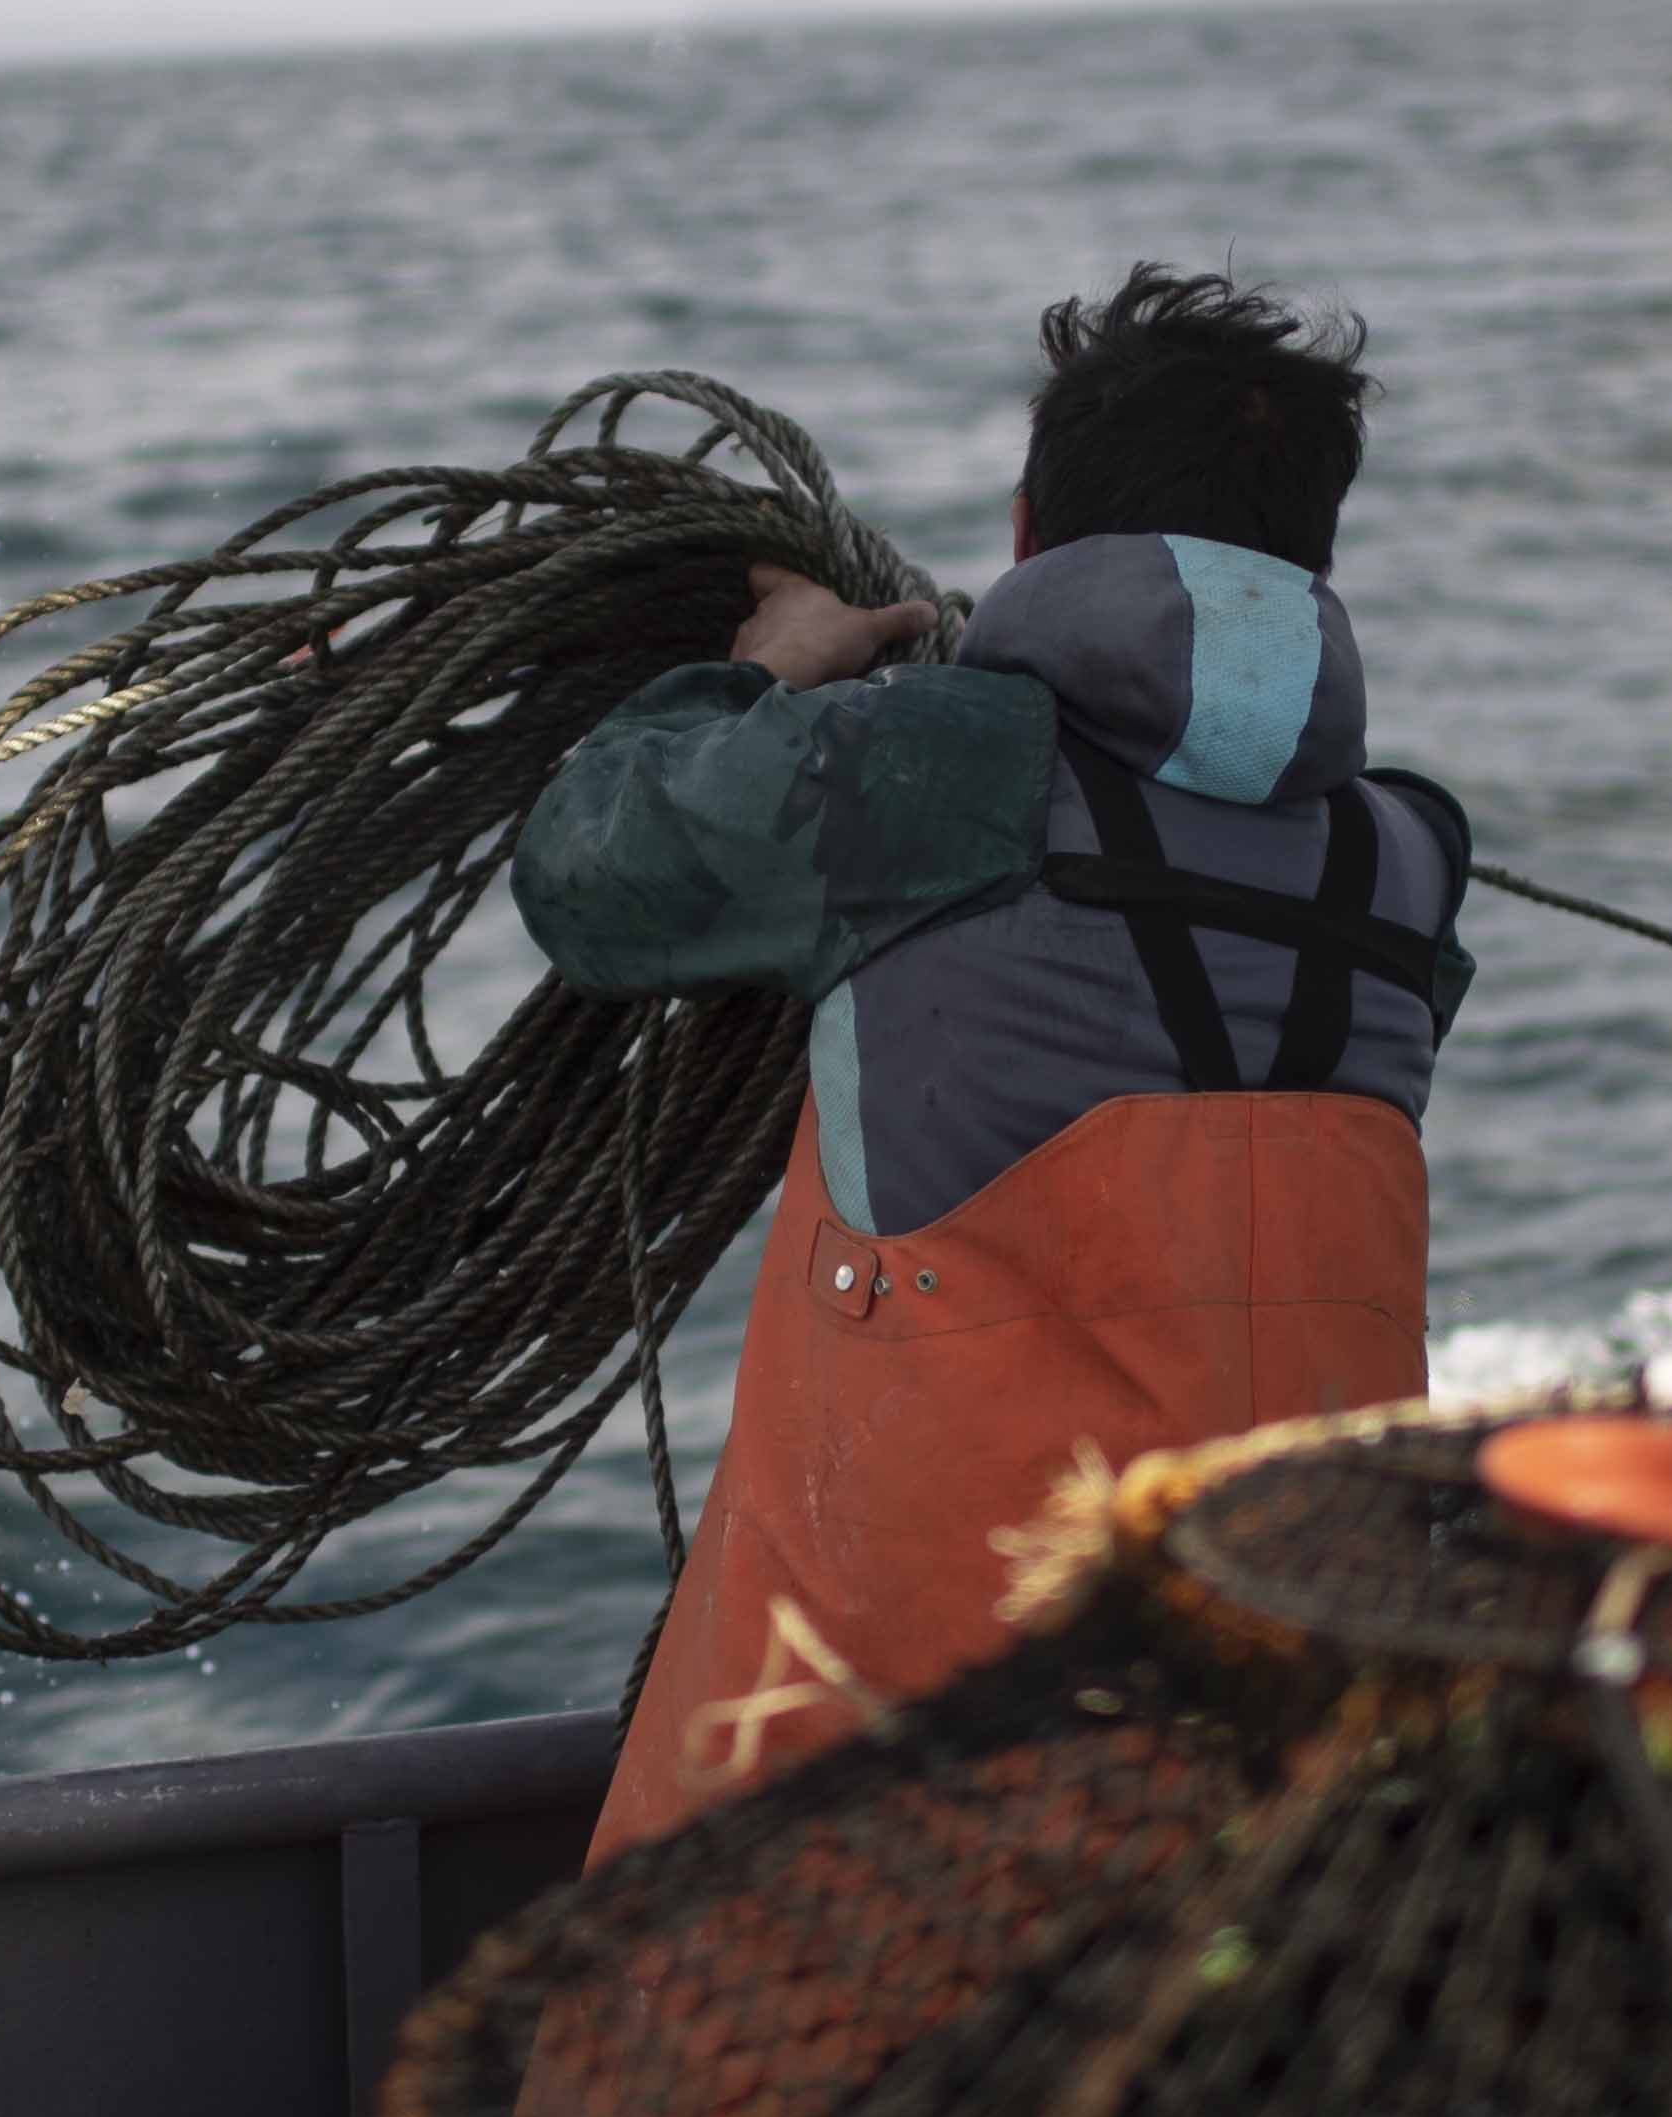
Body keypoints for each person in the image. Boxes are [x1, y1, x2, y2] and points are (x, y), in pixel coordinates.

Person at [518, 266, 1471, 1858]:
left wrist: (782, 674)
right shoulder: (1413, 859)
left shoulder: (928, 773)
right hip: (1296, 1769)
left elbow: (583, 872)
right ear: (1311, 555)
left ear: (1030, 533)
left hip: (901, 1789)